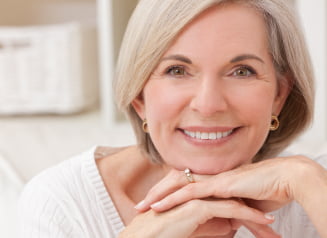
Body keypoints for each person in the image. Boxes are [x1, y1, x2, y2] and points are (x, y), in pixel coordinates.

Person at [18, 0, 327, 237]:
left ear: (279, 96)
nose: (208, 105)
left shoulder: (312, 191)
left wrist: (309, 181)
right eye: (177, 71)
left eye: (242, 71)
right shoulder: (61, 205)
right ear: (139, 97)